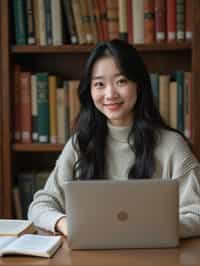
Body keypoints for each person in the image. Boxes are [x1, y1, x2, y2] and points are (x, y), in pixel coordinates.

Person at [28, 39, 200, 238]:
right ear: (90, 91)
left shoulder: (172, 146)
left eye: (121, 81)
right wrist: (64, 223)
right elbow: (40, 205)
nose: (110, 94)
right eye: (99, 84)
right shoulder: (80, 144)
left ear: (139, 85)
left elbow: (197, 211)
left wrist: (154, 228)